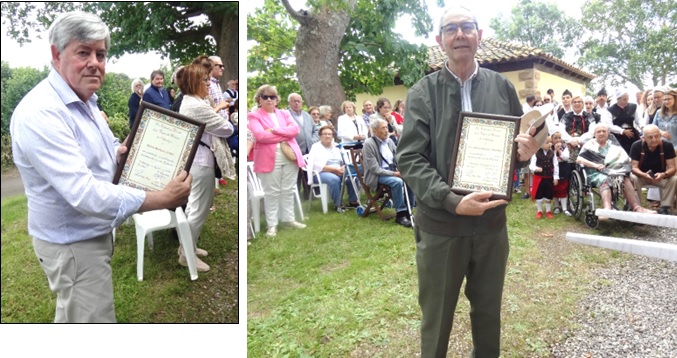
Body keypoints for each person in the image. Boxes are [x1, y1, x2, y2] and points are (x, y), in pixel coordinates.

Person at [9, 11, 192, 323]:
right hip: (73, 245)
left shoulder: (85, 99)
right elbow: (84, 193)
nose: (95, 62)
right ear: (57, 54)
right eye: (83, 52)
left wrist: (121, 154)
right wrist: (160, 199)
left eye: (101, 54)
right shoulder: (41, 113)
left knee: (74, 313)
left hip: (86, 236)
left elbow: (103, 150)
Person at [396, 6, 539, 356]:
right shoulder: (422, 93)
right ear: (439, 40)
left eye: (467, 27)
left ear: (479, 34)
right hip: (442, 226)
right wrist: (450, 199)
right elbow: (410, 158)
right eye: (451, 29)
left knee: (489, 313)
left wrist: (525, 153)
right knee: (437, 318)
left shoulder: (502, 87)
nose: (460, 34)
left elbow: (516, 146)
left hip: (491, 224)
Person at [177, 64, 235, 272]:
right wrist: (221, 115)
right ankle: (186, 255)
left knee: (196, 206)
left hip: (199, 160)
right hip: (200, 162)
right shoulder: (197, 106)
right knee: (198, 209)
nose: (208, 84)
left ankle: (187, 245)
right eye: (204, 80)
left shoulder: (194, 102)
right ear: (193, 83)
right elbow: (227, 129)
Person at [247, 85, 307, 237]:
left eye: (272, 97)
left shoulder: (285, 113)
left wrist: (273, 131)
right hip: (268, 159)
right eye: (265, 96)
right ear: (259, 99)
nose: (269, 99)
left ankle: (288, 219)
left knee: (288, 189)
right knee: (271, 192)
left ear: (277, 100)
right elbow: (260, 136)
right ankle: (271, 224)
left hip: (289, 156)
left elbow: (295, 130)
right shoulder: (254, 116)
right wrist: (285, 134)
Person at [576, 124, 656, 218]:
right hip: (595, 172)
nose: (601, 133)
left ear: (608, 133)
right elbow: (579, 159)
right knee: (605, 179)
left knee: (624, 179)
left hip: (614, 171)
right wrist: (596, 165)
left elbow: (624, 158)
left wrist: (625, 164)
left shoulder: (613, 145)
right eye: (599, 131)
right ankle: (607, 209)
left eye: (604, 131)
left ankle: (637, 208)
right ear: (594, 134)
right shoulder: (589, 144)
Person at [363, 118, 414, 227]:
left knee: (410, 177)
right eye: (383, 128)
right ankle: (400, 214)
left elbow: (398, 158)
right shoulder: (369, 144)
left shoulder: (390, 141)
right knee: (397, 182)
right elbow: (374, 169)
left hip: (392, 171)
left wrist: (404, 168)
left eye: (387, 127)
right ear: (375, 130)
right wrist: (394, 174)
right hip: (376, 176)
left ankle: (409, 211)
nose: (386, 130)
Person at [306, 125, 360, 212]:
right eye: (325, 134)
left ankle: (353, 201)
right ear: (320, 136)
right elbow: (316, 165)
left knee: (352, 176)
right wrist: (334, 170)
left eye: (329, 134)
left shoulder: (337, 146)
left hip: (338, 170)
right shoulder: (316, 147)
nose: (327, 136)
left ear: (332, 136)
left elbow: (344, 161)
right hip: (321, 172)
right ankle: (338, 204)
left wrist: (343, 167)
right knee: (334, 179)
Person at [629, 125, 677, 215]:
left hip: (660, 177)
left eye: (656, 136)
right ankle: (636, 207)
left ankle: (665, 207)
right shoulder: (637, 146)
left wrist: (664, 174)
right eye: (650, 137)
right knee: (632, 177)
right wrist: (644, 175)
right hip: (641, 177)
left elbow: (672, 168)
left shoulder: (667, 146)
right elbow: (634, 167)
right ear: (643, 138)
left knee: (674, 179)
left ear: (660, 135)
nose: (654, 139)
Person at [530, 135, 558, 219]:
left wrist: (556, 177)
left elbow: (556, 165)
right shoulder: (536, 153)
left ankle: (548, 211)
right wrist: (536, 168)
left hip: (549, 177)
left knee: (548, 194)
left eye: (550, 142)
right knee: (539, 194)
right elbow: (531, 165)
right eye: (547, 142)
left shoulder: (552, 153)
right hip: (539, 178)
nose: (549, 144)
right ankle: (539, 210)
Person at [608, 88, 642, 154]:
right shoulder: (610, 110)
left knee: (635, 152)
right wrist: (622, 131)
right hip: (618, 135)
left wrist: (643, 127)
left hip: (632, 133)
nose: (627, 101)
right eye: (624, 99)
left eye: (627, 99)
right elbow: (609, 125)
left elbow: (639, 119)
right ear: (618, 99)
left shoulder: (633, 107)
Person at [551, 129, 572, 215]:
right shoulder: (550, 147)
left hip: (563, 168)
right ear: (552, 139)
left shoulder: (564, 147)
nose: (558, 140)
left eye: (559, 137)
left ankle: (564, 208)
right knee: (555, 188)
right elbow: (550, 158)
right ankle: (556, 206)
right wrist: (555, 151)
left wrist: (560, 151)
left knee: (563, 187)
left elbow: (566, 157)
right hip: (553, 170)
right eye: (555, 138)